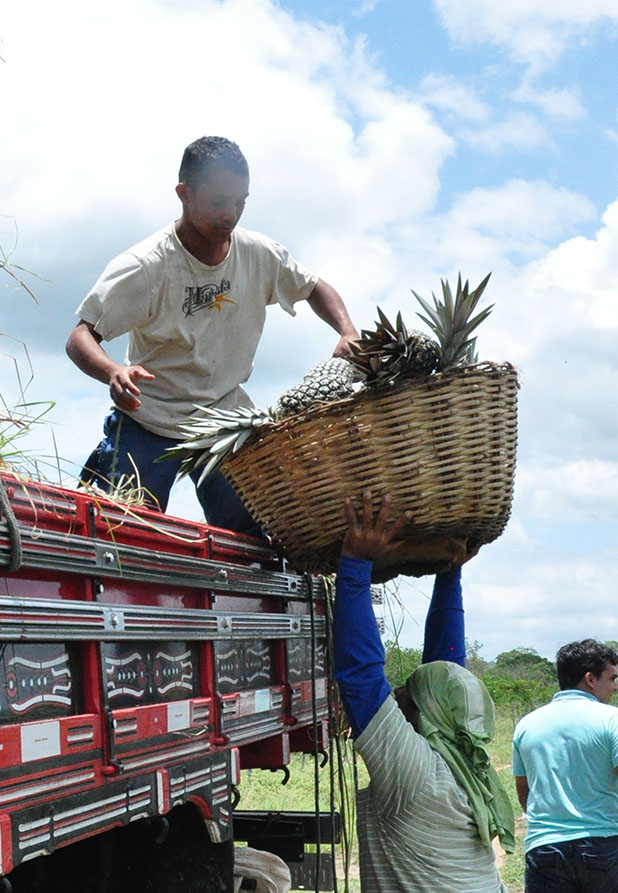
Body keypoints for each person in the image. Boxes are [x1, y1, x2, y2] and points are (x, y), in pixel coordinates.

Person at [66, 135, 360, 525]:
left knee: (258, 538)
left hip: (225, 421)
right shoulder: (145, 266)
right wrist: (113, 372)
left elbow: (314, 287)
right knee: (119, 529)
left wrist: (346, 330)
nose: (231, 214)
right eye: (219, 202)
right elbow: (80, 337)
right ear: (184, 193)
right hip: (150, 418)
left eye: (241, 202)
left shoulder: (259, 254)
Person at [332, 492, 514, 892]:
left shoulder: (418, 777)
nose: (396, 692)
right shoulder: (467, 756)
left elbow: (359, 675)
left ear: (428, 713)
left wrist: (356, 563)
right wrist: (450, 573)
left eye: (405, 695)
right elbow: (446, 669)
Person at [511, 639, 618, 892]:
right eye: (612, 678)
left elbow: (524, 792)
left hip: (544, 849)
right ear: (590, 678)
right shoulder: (612, 720)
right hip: (604, 848)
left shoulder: (526, 725)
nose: (614, 687)